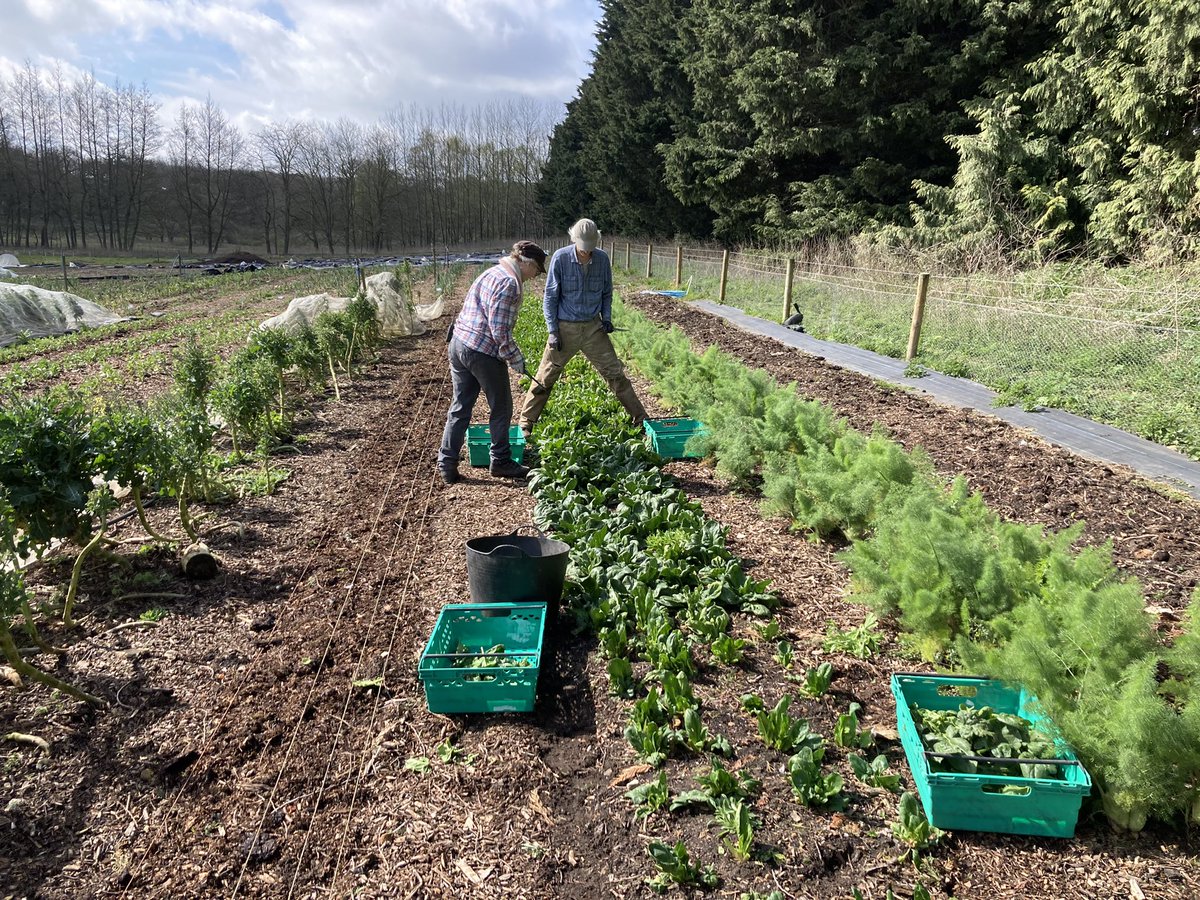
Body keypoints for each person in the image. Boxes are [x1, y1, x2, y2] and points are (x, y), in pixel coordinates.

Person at [519, 218, 647, 440]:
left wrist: (606, 318)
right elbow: (550, 298)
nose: (587, 253)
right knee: (545, 376)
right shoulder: (560, 258)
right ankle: (525, 423)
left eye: (590, 248)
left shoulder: (602, 260)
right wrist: (552, 330)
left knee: (615, 375)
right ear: (573, 240)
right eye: (583, 248)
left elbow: (607, 292)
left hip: (593, 328)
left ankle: (641, 420)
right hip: (565, 329)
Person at [438, 240, 547, 484]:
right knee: (501, 407)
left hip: (459, 343)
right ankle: (500, 461)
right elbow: (499, 332)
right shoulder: (509, 283)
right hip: (481, 351)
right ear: (527, 263)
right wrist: (515, 358)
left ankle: (447, 463)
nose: (535, 276)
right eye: (537, 270)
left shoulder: (491, 272)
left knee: (460, 406)